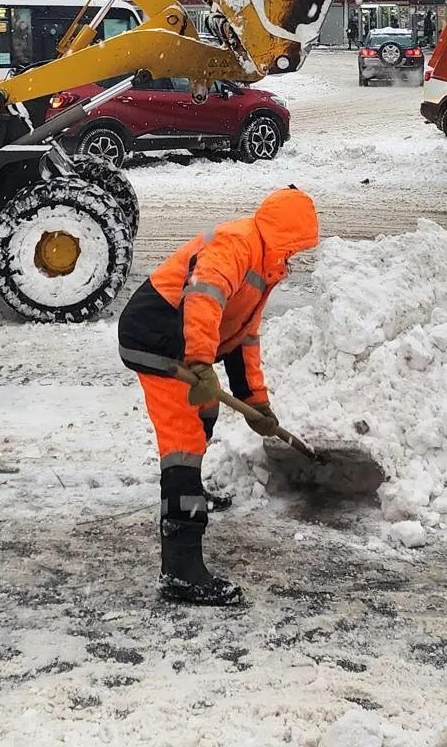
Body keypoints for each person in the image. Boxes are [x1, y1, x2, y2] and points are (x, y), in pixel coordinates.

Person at [117, 186, 321, 607]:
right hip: (156, 337)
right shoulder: (237, 243)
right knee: (183, 446)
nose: (295, 257)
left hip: (187, 343)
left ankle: (192, 491)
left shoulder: (265, 264)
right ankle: (181, 570)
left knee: (206, 408)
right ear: (284, 235)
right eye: (295, 247)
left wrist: (256, 401)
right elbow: (203, 299)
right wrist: (199, 362)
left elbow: (243, 335)